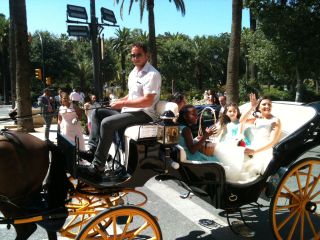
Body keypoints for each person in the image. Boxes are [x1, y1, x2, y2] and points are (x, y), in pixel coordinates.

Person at [80, 42, 162, 178]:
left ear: (147, 55)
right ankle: (93, 150)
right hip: (130, 110)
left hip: (145, 113)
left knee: (107, 123)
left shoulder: (152, 74)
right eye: (133, 55)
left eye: (139, 55)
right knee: (96, 112)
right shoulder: (133, 73)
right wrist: (118, 101)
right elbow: (132, 95)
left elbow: (147, 100)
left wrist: (122, 103)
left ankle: (98, 166)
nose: (135, 58)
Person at [241, 94, 282, 178]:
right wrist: (252, 107)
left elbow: (272, 142)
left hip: (265, 151)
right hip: (252, 147)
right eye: (264, 104)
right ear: (259, 107)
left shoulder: (275, 120)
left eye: (269, 104)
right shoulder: (257, 118)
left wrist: (254, 151)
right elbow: (242, 121)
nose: (267, 106)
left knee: (250, 168)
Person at [214, 102, 251, 182]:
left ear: (237, 112)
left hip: (238, 142)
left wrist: (252, 108)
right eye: (230, 111)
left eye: (235, 111)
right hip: (228, 142)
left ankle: (232, 176)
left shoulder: (240, 121)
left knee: (232, 155)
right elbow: (222, 134)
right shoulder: (227, 124)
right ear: (226, 113)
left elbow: (246, 120)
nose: (233, 113)